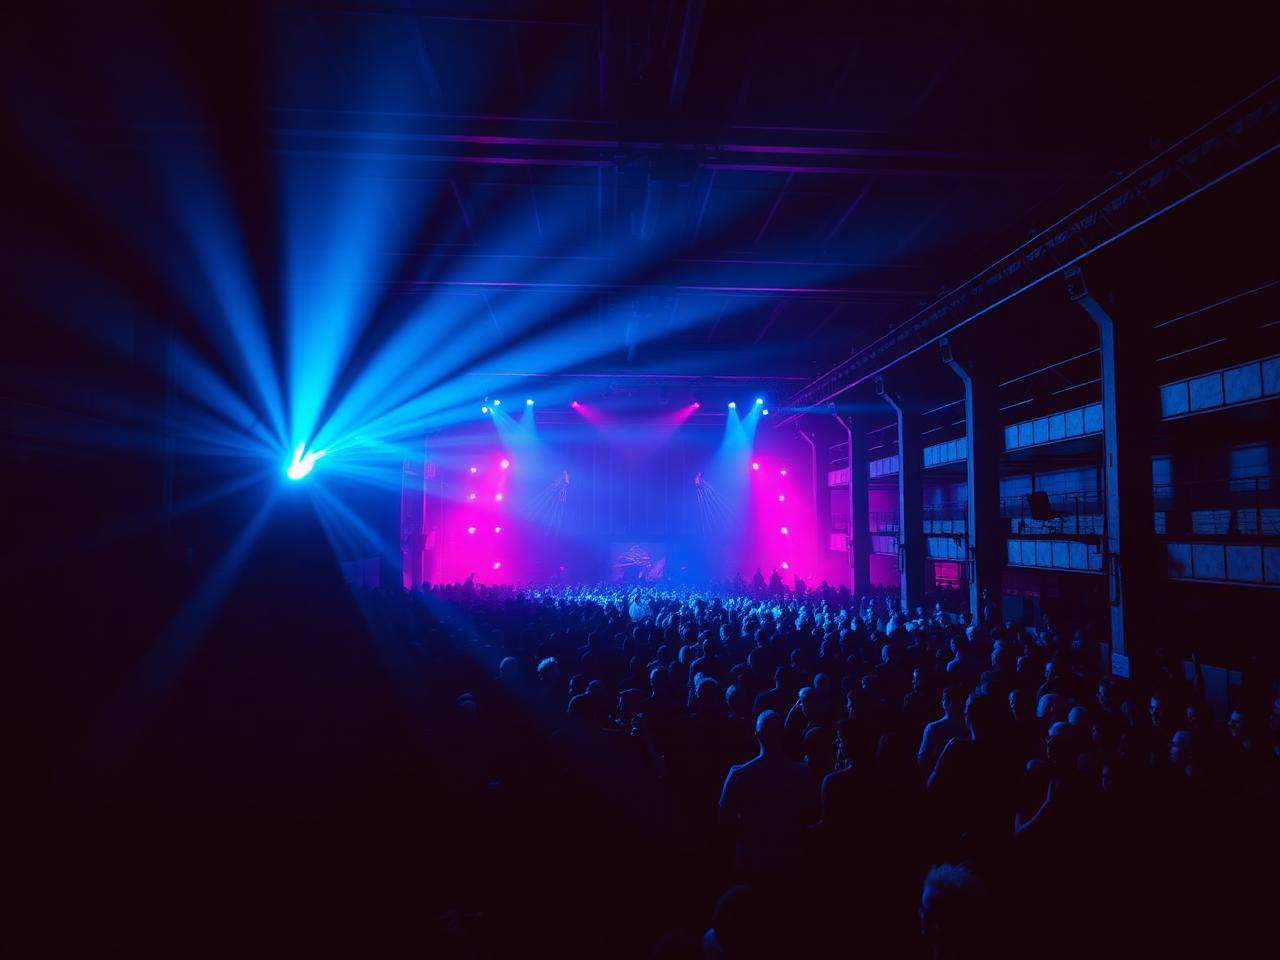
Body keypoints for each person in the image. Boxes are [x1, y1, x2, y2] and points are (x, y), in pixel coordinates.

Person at [718, 710, 819, 878]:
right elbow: (812, 813)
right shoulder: (802, 772)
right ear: (783, 733)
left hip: (752, 859)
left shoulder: (739, 775)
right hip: (792, 858)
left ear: (757, 735)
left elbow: (725, 819)